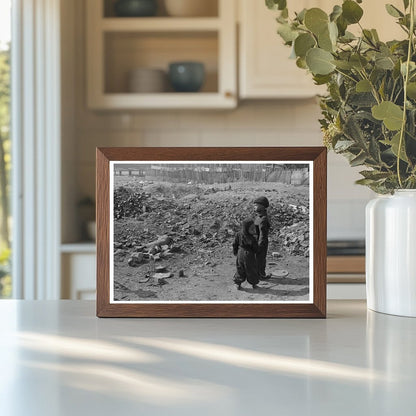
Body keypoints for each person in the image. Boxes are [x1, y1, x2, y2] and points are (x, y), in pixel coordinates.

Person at [233, 219, 260, 290]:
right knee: (251, 269)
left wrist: (235, 252)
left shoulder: (238, 234)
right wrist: (256, 252)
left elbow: (235, 244)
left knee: (240, 268)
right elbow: (255, 248)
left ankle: (237, 283)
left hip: (240, 253)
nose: (252, 229)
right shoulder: (251, 238)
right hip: (249, 255)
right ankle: (254, 284)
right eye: (251, 228)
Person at [254, 196, 271, 280]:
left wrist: (259, 245)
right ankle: (257, 274)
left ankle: (261, 275)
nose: (254, 206)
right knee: (256, 259)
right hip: (256, 241)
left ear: (262, 206)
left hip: (261, 242)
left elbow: (263, 235)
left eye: (256, 205)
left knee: (260, 259)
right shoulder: (259, 217)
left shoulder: (263, 219)